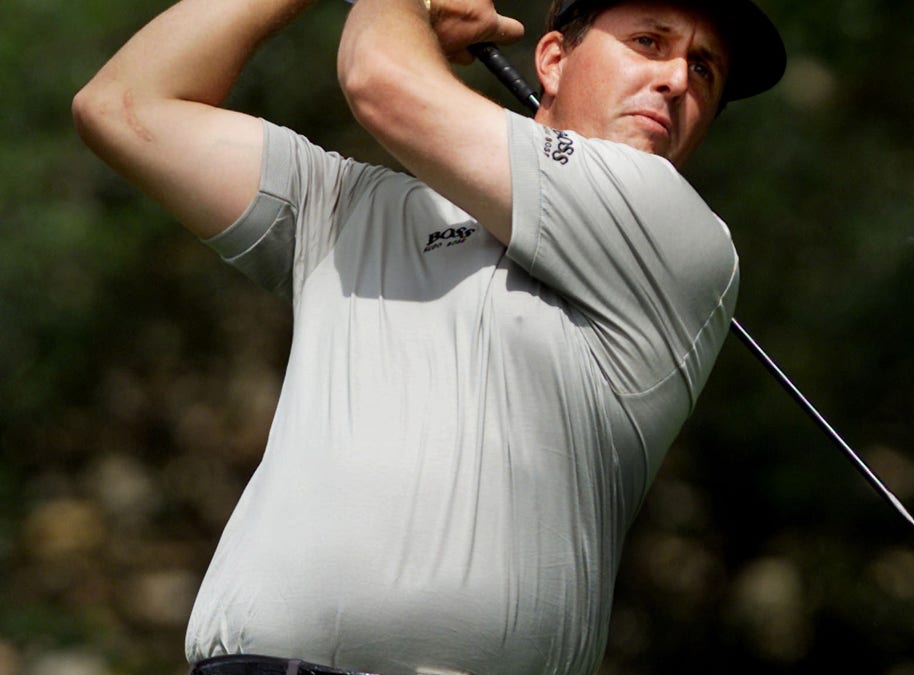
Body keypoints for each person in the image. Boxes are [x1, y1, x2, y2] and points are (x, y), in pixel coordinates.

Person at [72, 0, 786, 672]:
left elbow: (380, 80)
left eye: (703, 69)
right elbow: (124, 105)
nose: (673, 79)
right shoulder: (351, 205)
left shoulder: (678, 234)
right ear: (552, 60)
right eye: (649, 43)